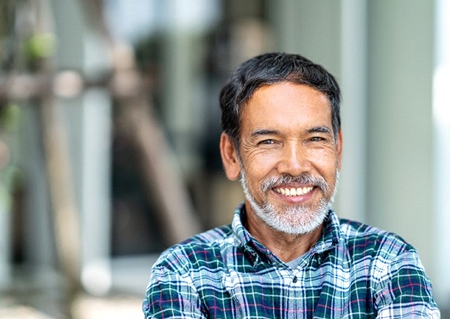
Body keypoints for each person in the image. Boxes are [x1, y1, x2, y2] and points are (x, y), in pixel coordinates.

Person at [142, 52, 440, 318]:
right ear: (231, 156)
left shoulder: (387, 262)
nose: (295, 166)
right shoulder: (186, 273)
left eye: (315, 140)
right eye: (269, 141)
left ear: (338, 150)